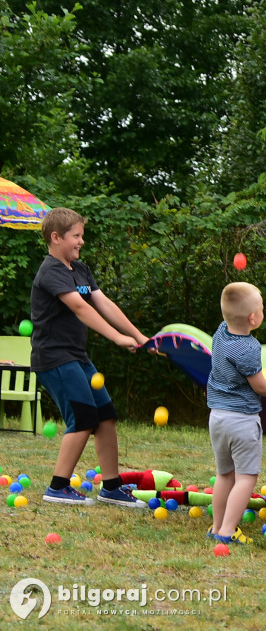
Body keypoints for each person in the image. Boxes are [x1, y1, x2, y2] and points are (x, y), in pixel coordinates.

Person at [32, 207, 148, 508]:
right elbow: (81, 309)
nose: (81, 241)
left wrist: (138, 336)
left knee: (106, 417)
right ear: (56, 238)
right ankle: (57, 487)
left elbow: (102, 303)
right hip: (55, 358)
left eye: (82, 236)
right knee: (82, 418)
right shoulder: (51, 272)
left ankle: (111, 487)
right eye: (76, 236)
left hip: (77, 357)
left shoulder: (80, 270)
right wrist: (117, 338)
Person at [206, 282, 266, 544]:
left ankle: (217, 526)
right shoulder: (249, 348)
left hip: (217, 417)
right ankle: (228, 531)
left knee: (224, 474)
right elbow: (260, 385)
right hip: (242, 421)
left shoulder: (220, 333)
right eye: (261, 308)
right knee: (246, 478)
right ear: (253, 318)